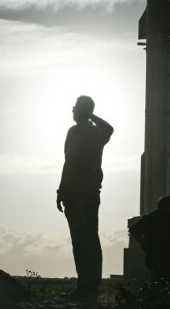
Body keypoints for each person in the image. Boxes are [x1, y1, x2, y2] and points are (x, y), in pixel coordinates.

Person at [56, 95, 113, 301]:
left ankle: (84, 287)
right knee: (91, 239)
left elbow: (70, 163)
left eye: (75, 109)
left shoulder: (76, 132)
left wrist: (61, 191)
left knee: (80, 241)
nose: (72, 112)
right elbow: (110, 129)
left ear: (79, 111)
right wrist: (93, 115)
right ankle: (93, 286)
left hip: (76, 193)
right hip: (92, 193)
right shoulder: (97, 132)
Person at [128, 195, 170, 281]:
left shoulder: (150, 217)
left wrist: (143, 242)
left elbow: (132, 230)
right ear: (166, 206)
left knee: (157, 282)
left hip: (153, 258)